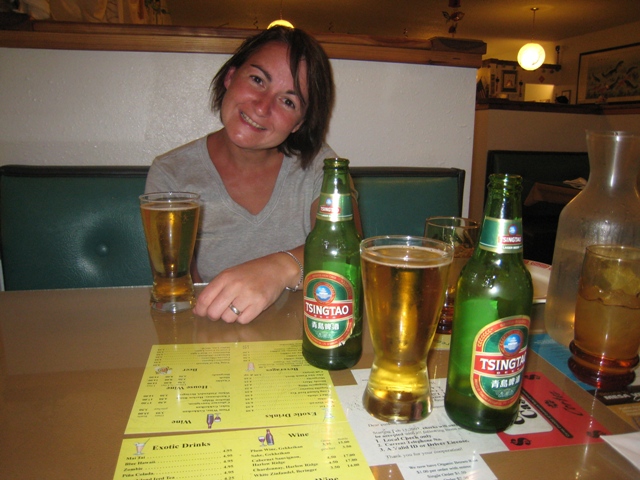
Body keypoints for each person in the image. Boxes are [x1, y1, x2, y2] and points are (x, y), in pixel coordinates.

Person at [145, 26, 356, 324]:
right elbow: (180, 292)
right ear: (230, 78)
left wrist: (279, 268)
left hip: (304, 338)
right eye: (257, 80)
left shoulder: (323, 167)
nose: (262, 107)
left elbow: (349, 252)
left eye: (288, 101)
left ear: (299, 123)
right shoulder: (171, 173)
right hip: (214, 337)